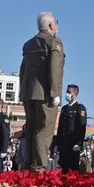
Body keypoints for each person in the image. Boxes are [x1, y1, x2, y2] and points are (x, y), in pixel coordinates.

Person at [19, 11, 65, 171]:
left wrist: (22, 91)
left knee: (31, 128)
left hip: (28, 92)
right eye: (56, 22)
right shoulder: (54, 42)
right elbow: (55, 69)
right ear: (51, 25)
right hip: (45, 93)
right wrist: (55, 93)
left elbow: (23, 69)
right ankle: (38, 167)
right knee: (44, 130)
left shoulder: (28, 44)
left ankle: (28, 163)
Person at [56, 84, 88, 173]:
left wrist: (79, 143)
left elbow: (82, 127)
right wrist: (57, 143)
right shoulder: (64, 108)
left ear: (75, 94)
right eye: (66, 92)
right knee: (63, 169)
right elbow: (60, 127)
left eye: (69, 92)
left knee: (72, 170)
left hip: (73, 145)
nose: (67, 94)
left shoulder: (80, 108)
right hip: (63, 145)